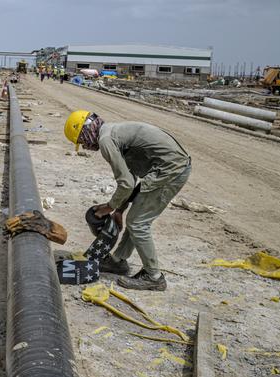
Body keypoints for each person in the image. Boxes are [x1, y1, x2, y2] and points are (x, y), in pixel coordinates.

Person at [64, 110, 191, 291]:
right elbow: (130, 177)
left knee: (138, 222)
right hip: (165, 168)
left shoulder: (105, 141)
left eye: (82, 141)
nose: (84, 147)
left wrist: (108, 208)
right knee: (135, 219)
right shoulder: (114, 132)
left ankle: (154, 277)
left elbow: (125, 183)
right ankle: (118, 262)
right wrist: (119, 211)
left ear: (85, 132)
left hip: (169, 171)